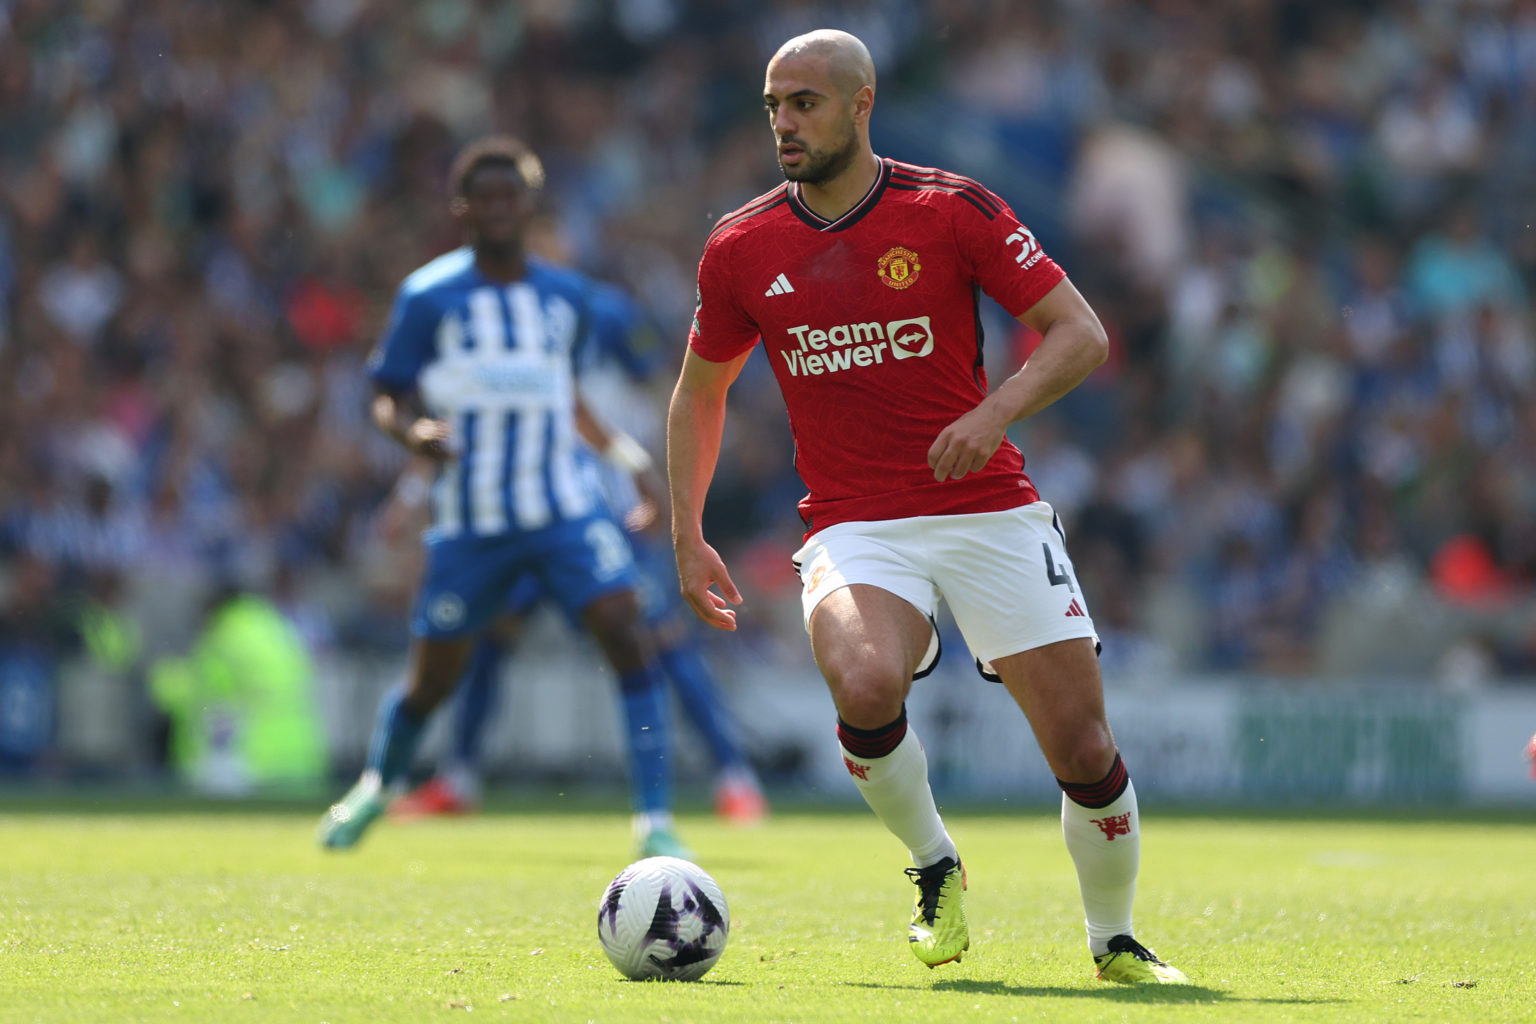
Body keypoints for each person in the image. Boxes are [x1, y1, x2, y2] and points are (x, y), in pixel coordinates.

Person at [666, 30, 1188, 983]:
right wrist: (687, 530)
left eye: (806, 103)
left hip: (988, 508)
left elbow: (1079, 333)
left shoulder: (951, 210)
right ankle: (934, 864)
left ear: (862, 105)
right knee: (865, 686)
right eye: (774, 105)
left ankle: (1113, 940)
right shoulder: (741, 247)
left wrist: (995, 412)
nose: (784, 122)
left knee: (1082, 747)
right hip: (856, 523)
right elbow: (700, 391)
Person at [316, 135, 689, 859]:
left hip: (562, 507)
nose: (496, 209)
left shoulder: (564, 296)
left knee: (624, 625)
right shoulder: (430, 296)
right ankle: (376, 785)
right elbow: (386, 394)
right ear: (462, 208)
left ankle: (655, 818)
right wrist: (412, 433)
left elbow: (563, 395)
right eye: (482, 198)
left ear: (527, 206)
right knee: (433, 678)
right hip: (472, 518)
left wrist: (632, 461)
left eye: (509, 196)